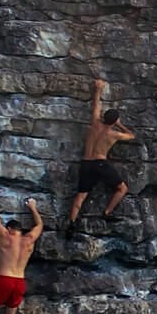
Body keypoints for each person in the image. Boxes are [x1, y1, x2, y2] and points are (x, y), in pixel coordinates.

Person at [65, 77, 134, 237]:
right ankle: (107, 212)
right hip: (100, 164)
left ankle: (71, 224)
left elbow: (96, 105)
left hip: (85, 163)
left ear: (104, 117)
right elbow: (131, 136)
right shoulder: (114, 134)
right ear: (114, 121)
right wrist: (119, 124)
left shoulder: (94, 123)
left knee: (81, 196)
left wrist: (98, 89)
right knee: (122, 188)